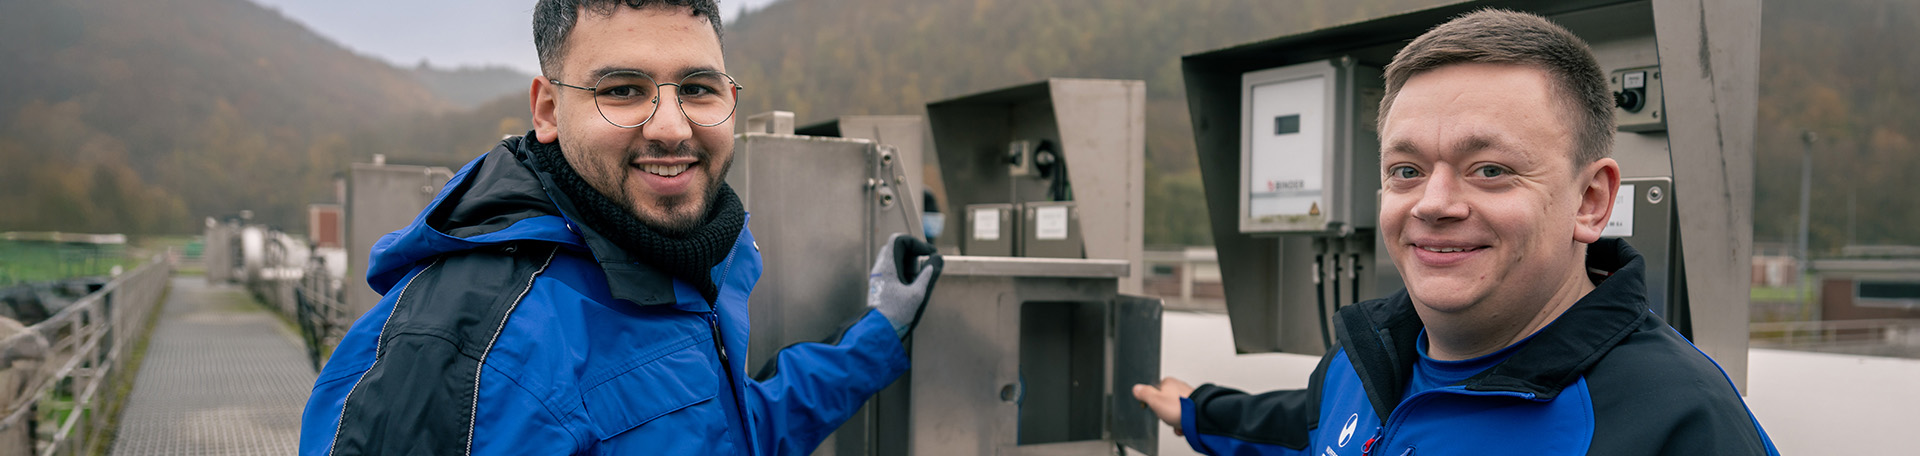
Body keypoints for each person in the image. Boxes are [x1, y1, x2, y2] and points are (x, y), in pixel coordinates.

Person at [298, 1, 942, 454]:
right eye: (624, 90)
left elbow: (728, 433)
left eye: (697, 88)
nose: (670, 126)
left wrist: (876, 338)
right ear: (549, 110)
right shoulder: (463, 348)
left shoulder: (671, 266)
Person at [1132, 9, 1779, 455]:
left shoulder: (1676, 420)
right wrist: (1197, 411)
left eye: (1490, 170)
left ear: (1590, 201)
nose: (1434, 203)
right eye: (1407, 170)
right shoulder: (1368, 357)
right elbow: (1298, 429)